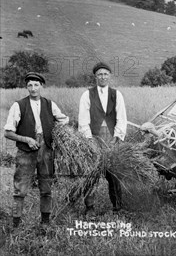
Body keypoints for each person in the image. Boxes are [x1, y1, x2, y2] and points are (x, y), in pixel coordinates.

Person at [4, 72, 69, 229]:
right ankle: (16, 225)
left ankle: (45, 223)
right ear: (26, 87)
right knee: (20, 189)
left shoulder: (49, 104)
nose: (33, 89)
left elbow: (64, 119)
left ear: (42, 86)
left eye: (36, 85)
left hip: (46, 150)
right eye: (30, 85)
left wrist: (54, 131)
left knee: (46, 188)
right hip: (25, 152)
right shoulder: (18, 105)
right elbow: (7, 132)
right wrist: (26, 139)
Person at [78, 62, 127, 215]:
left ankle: (117, 207)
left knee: (114, 174)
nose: (103, 77)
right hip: (94, 138)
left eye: (106, 74)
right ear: (95, 77)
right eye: (100, 74)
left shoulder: (116, 94)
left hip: (112, 138)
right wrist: (89, 139)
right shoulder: (87, 94)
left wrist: (117, 137)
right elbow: (83, 120)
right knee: (91, 174)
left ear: (109, 76)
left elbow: (122, 118)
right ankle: (90, 208)